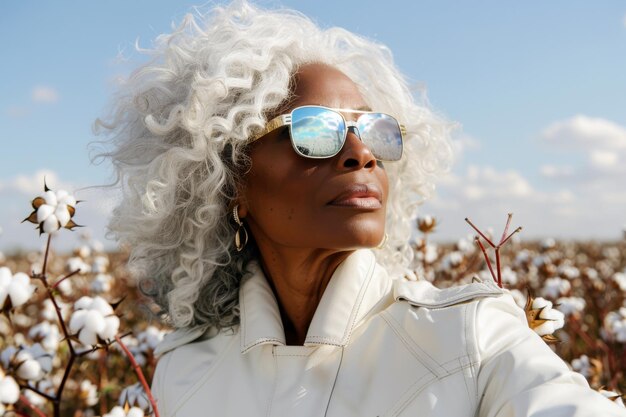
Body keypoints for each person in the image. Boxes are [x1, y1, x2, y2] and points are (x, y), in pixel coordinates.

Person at [96, 1, 626, 416]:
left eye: (374, 130)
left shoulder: (474, 338)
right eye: (313, 130)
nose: (361, 153)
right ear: (227, 178)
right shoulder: (183, 369)